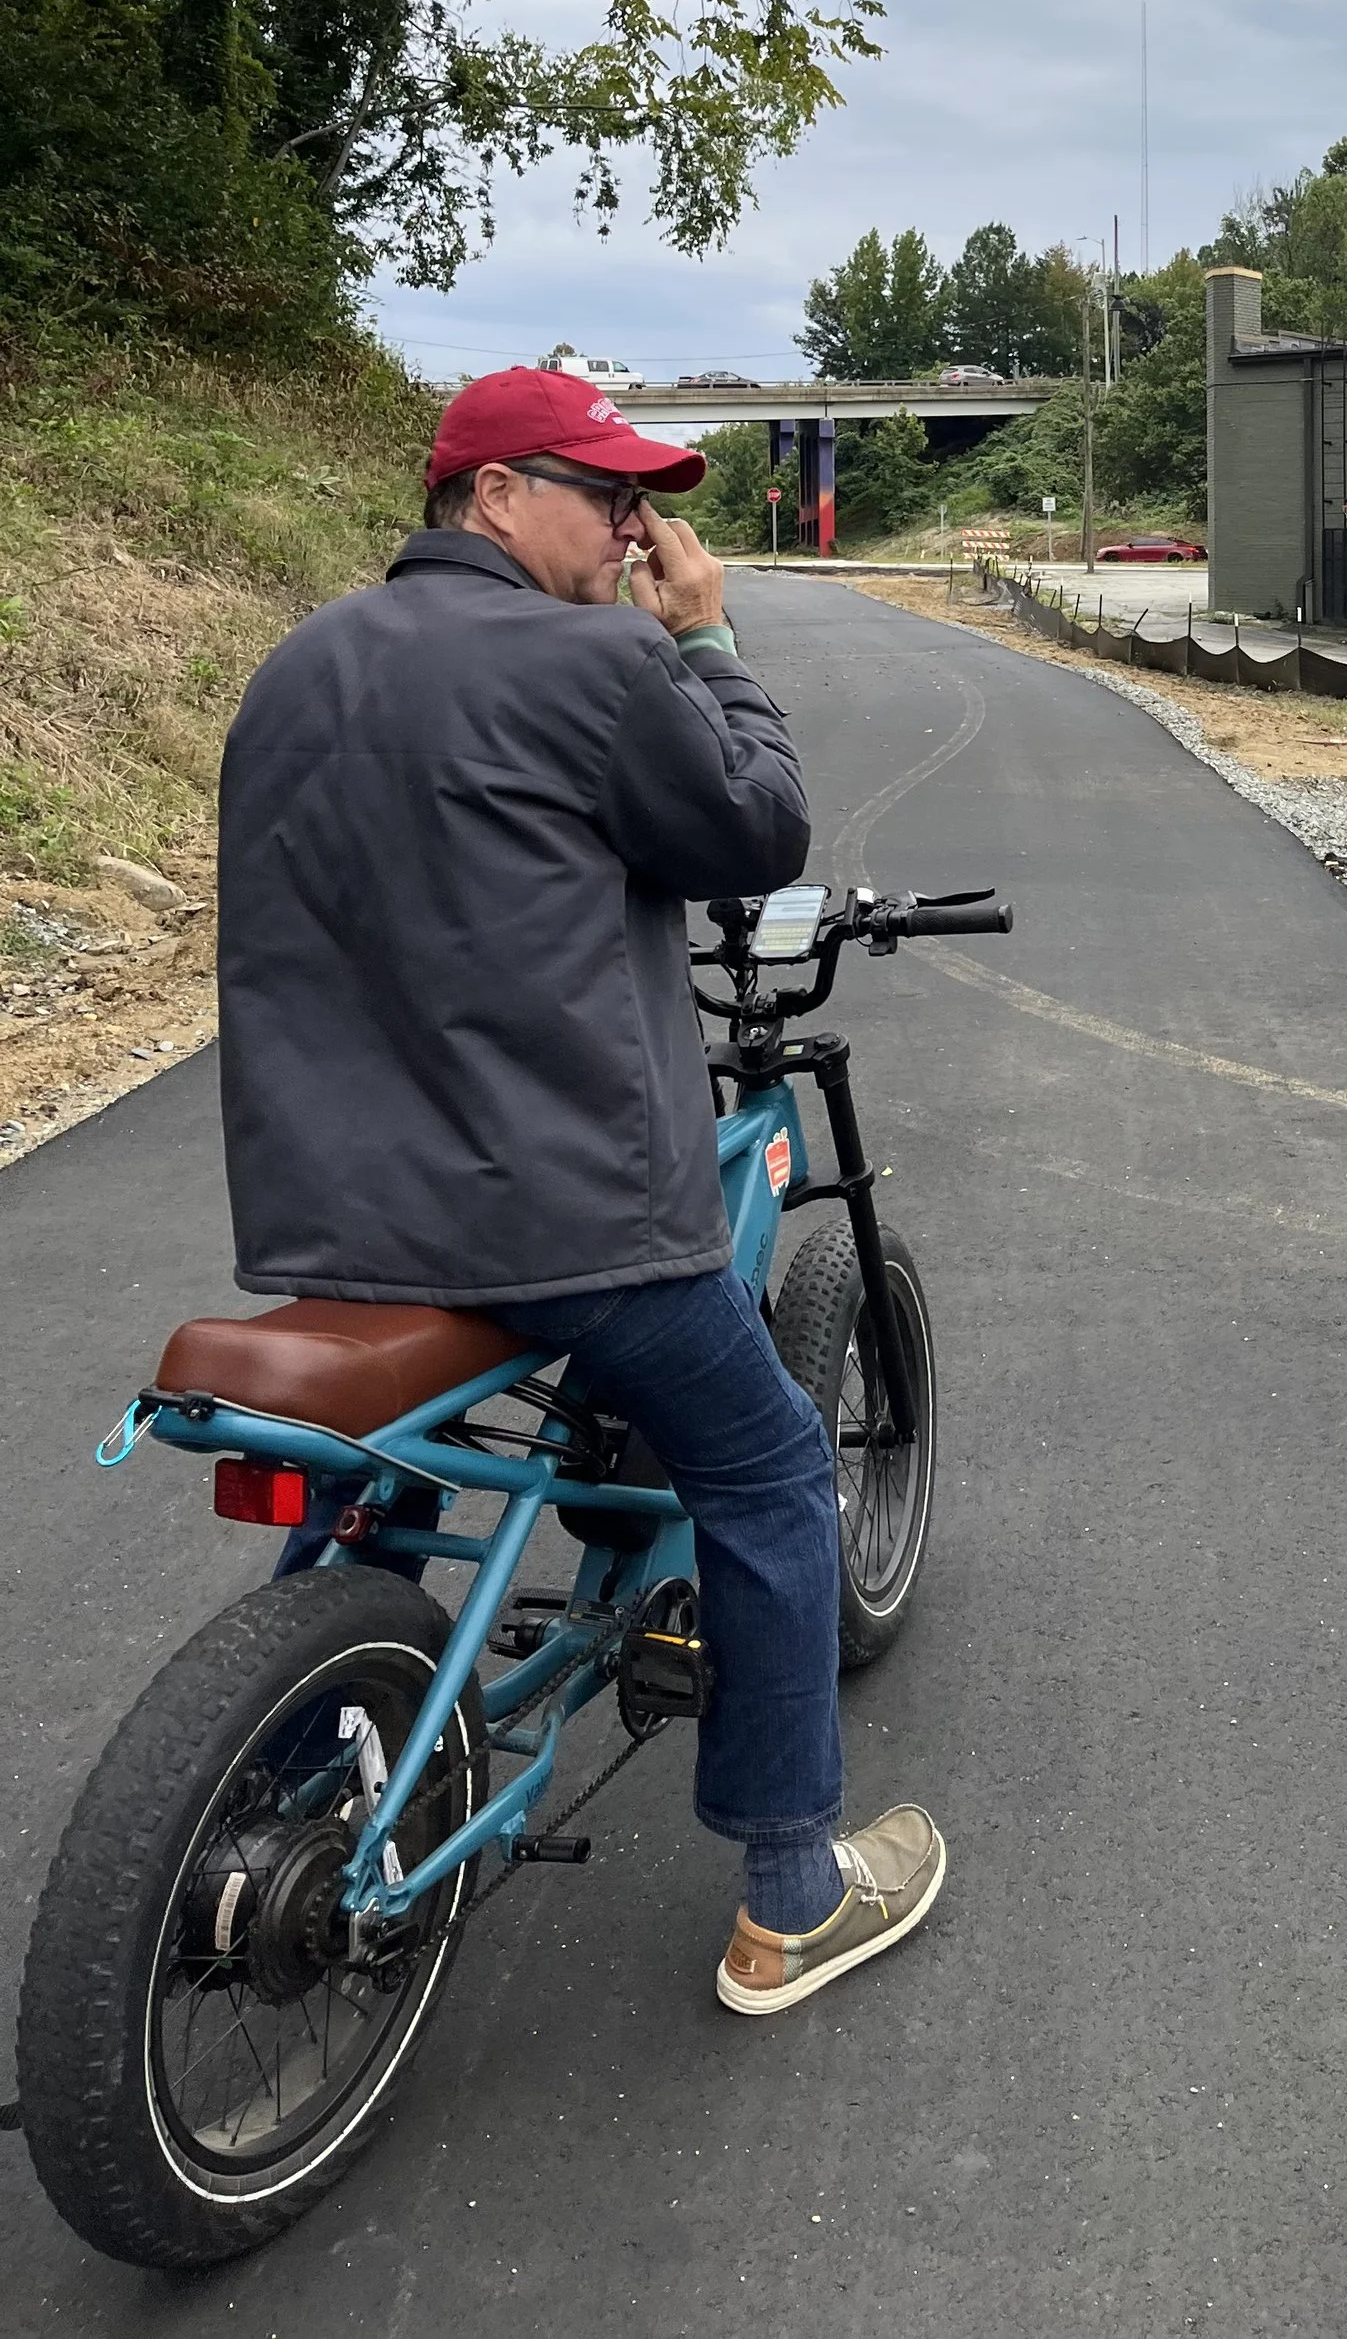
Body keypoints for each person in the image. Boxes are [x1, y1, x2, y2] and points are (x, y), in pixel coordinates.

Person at [217, 365, 945, 2016]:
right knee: (772, 1474)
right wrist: (707, 637)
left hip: (339, 1219)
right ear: (491, 493)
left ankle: (272, 1775)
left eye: (642, 503)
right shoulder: (597, 661)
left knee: (377, 1484)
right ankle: (791, 1896)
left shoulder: (298, 663)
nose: (633, 525)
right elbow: (758, 827)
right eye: (604, 493)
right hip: (562, 1219)